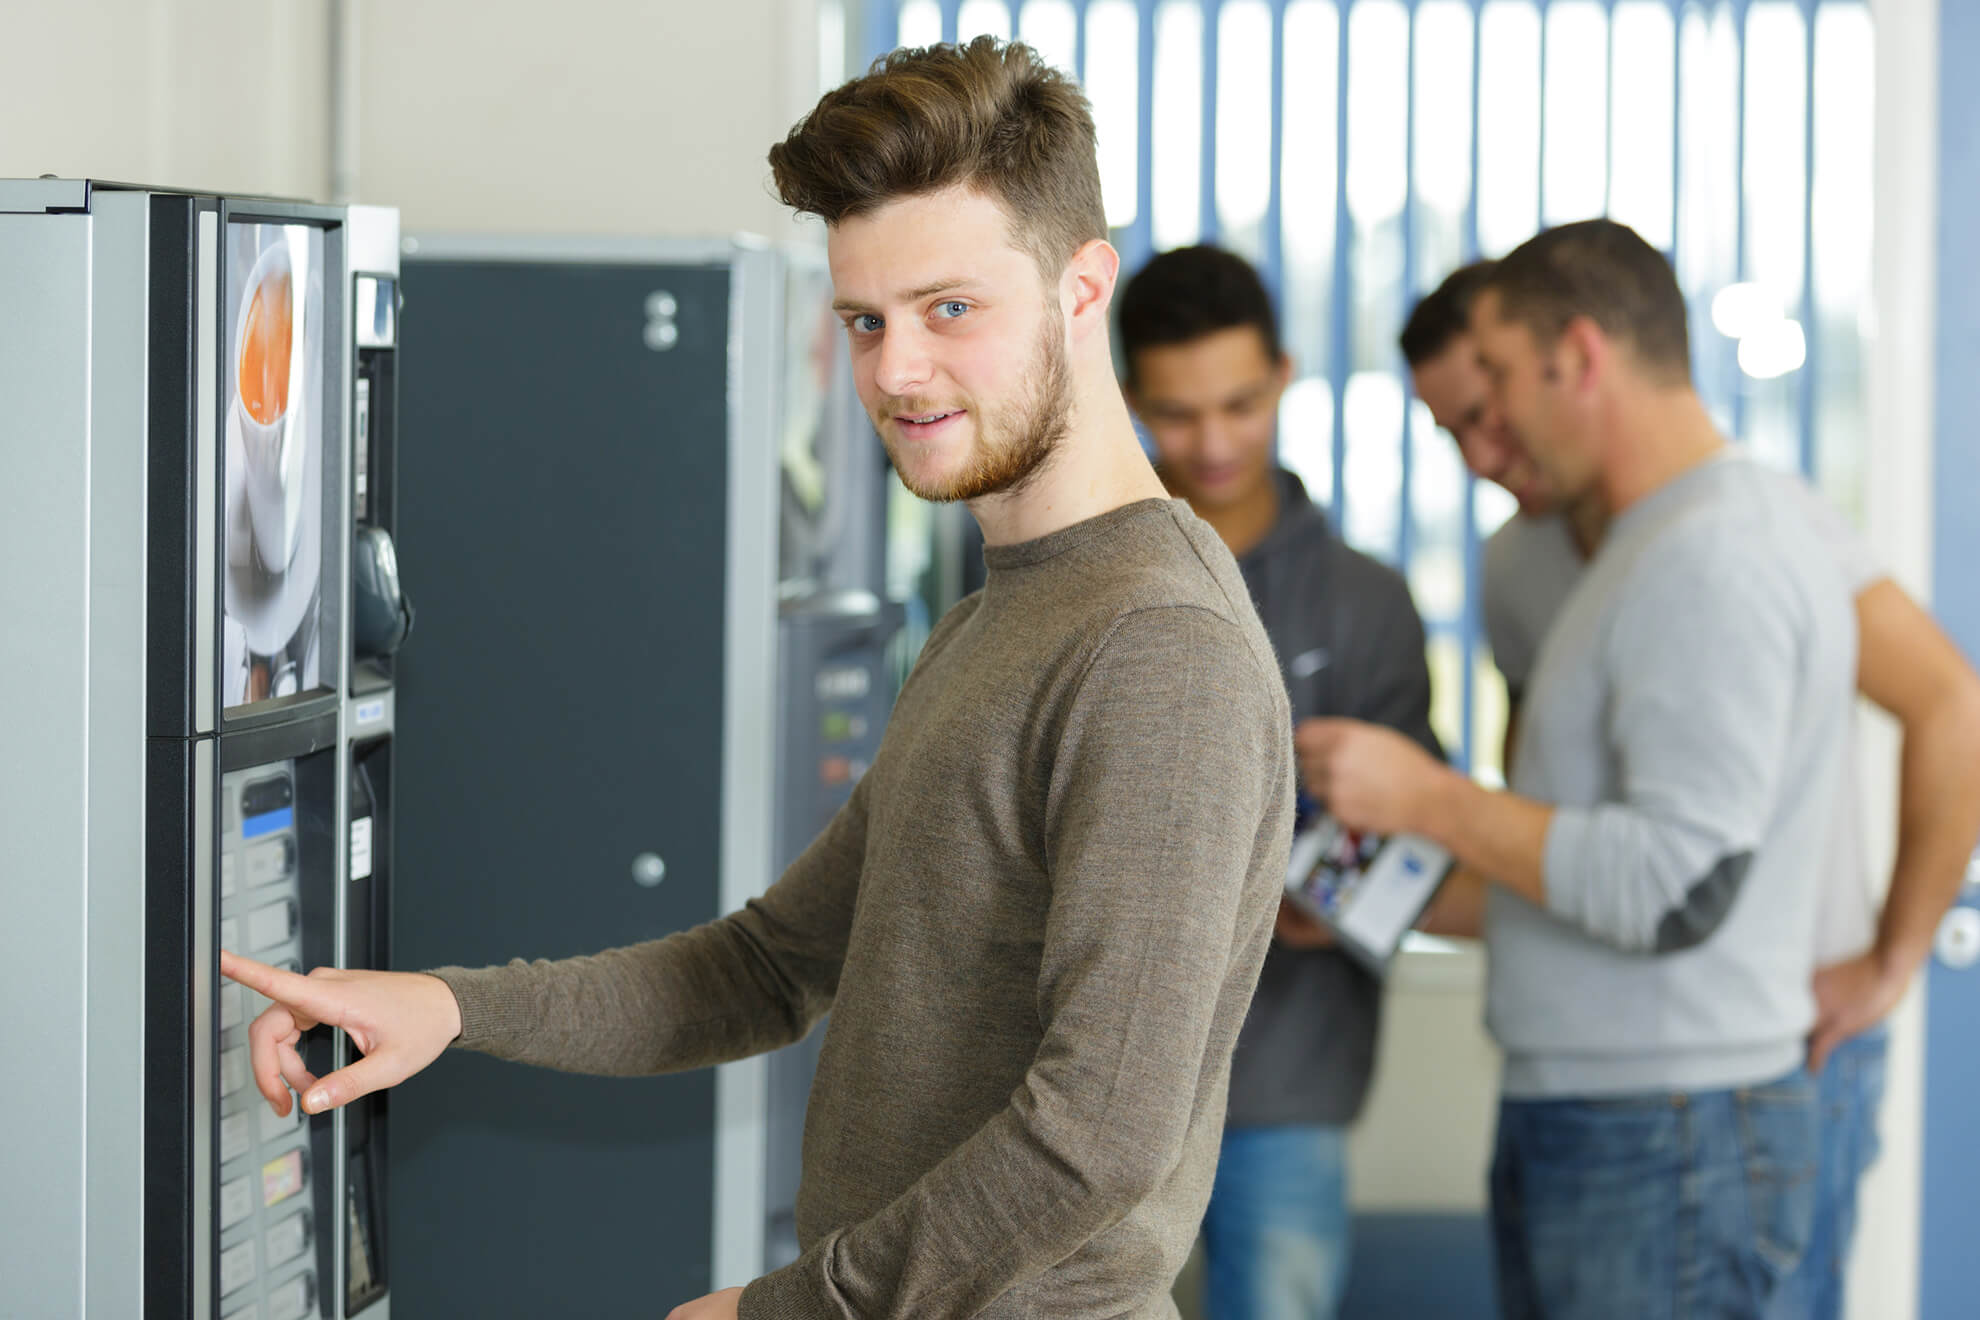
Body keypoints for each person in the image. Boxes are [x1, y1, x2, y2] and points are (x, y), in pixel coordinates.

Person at [220, 38, 1295, 1320]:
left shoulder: (1153, 646)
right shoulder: (995, 621)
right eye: (865, 320)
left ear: (1082, 286)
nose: (896, 370)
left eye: (951, 308)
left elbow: (1101, 1131)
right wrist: (451, 1009)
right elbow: (768, 966)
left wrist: (792, 1310)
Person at [1403, 256, 1980, 1318]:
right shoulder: (1533, 565)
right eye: (1454, 432)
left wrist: (1893, 959)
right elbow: (1560, 838)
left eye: (1494, 399)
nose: (1490, 454)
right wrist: (1394, 894)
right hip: (1605, 1069)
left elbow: (1949, 703)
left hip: (1743, 1054)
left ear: (1571, 361)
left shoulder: (1738, 541)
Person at [1308, 219, 1861, 1316]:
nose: (1494, 425)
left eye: (1504, 380)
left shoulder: (1711, 556)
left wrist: (1428, 799)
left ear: (1581, 357)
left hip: (1665, 1136)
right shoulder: (1634, 549)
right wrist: (1364, 892)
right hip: (1621, 1121)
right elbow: (1572, 862)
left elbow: (1671, 883)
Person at [1116, 244, 1440, 1320]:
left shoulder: (1366, 603)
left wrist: (1322, 899)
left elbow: (1419, 844)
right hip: (1091, 1083)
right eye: (1177, 412)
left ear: (1287, 375)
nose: (1213, 443)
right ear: (1127, 400)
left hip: (1288, 1081)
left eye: (1240, 404)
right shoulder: (1083, 579)